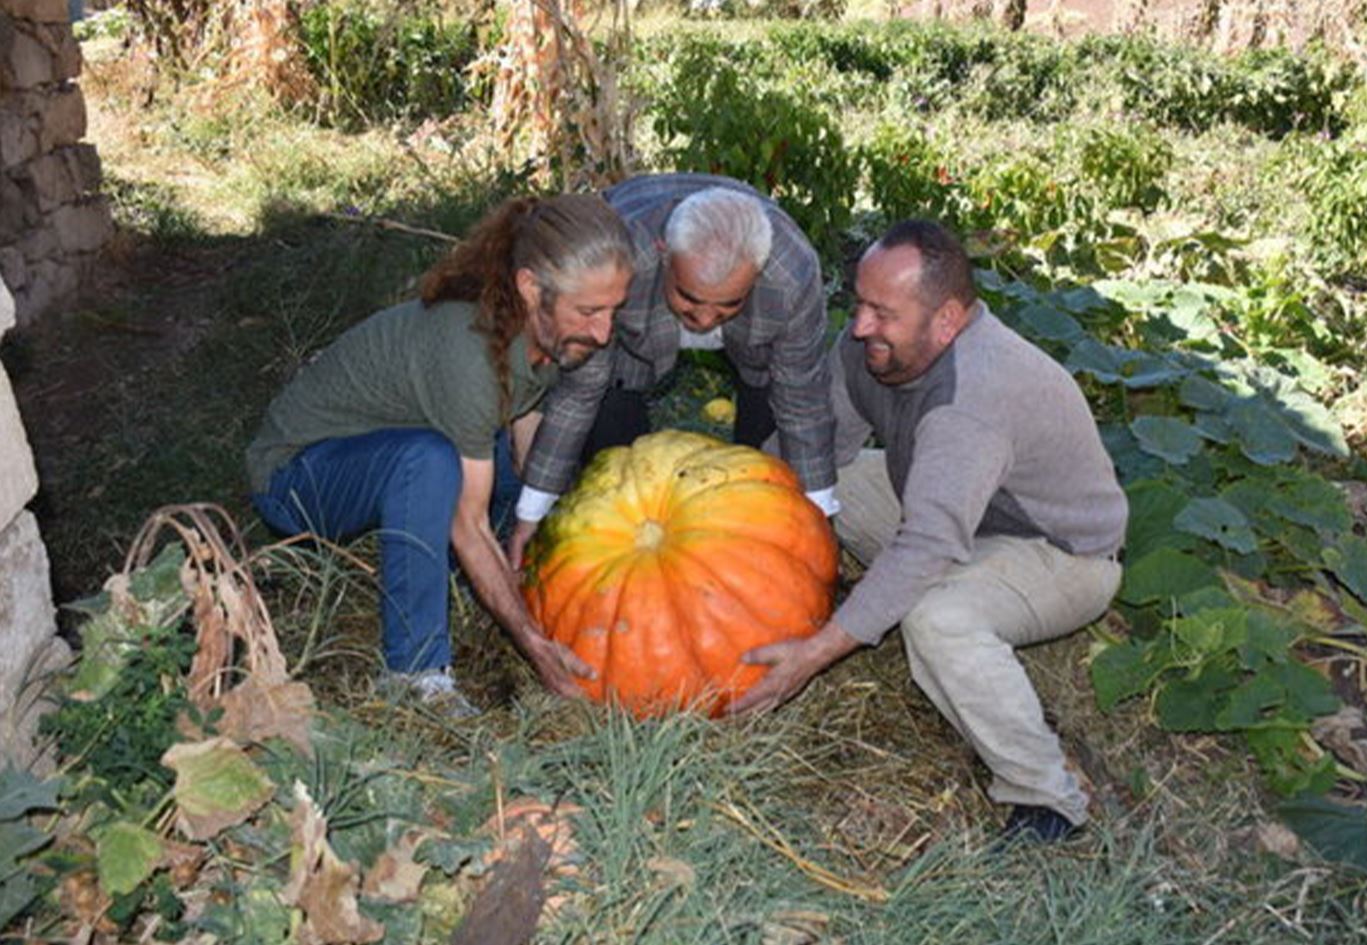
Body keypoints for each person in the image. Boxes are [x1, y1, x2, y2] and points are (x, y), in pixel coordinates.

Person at [728, 220, 1128, 843]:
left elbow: (929, 538)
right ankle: (891, 594)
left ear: (946, 321)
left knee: (938, 619)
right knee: (827, 485)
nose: (860, 327)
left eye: (882, 313)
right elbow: (818, 445)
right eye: (858, 303)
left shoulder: (972, 398)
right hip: (959, 500)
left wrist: (818, 650)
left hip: (1061, 551)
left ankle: (1048, 797)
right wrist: (729, 501)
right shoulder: (874, 347)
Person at [245, 195, 634, 716]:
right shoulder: (468, 354)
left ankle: (452, 585)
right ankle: (414, 672)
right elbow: (466, 523)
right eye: (589, 312)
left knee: (500, 474)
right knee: (431, 463)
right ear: (530, 287)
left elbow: (524, 447)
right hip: (295, 477)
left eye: (614, 310)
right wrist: (533, 644)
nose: (604, 332)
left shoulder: (533, 335)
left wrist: (538, 542)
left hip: (383, 450)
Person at [506, 173, 838, 563]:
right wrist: (532, 514)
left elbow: (804, 402)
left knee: (765, 446)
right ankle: (625, 541)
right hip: (636, 321)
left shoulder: (791, 277)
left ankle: (743, 536)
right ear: (663, 253)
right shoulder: (623, 262)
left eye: (727, 305)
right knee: (613, 440)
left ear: (757, 274)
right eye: (689, 298)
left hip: (757, 342)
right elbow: (580, 393)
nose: (705, 318)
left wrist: (820, 522)